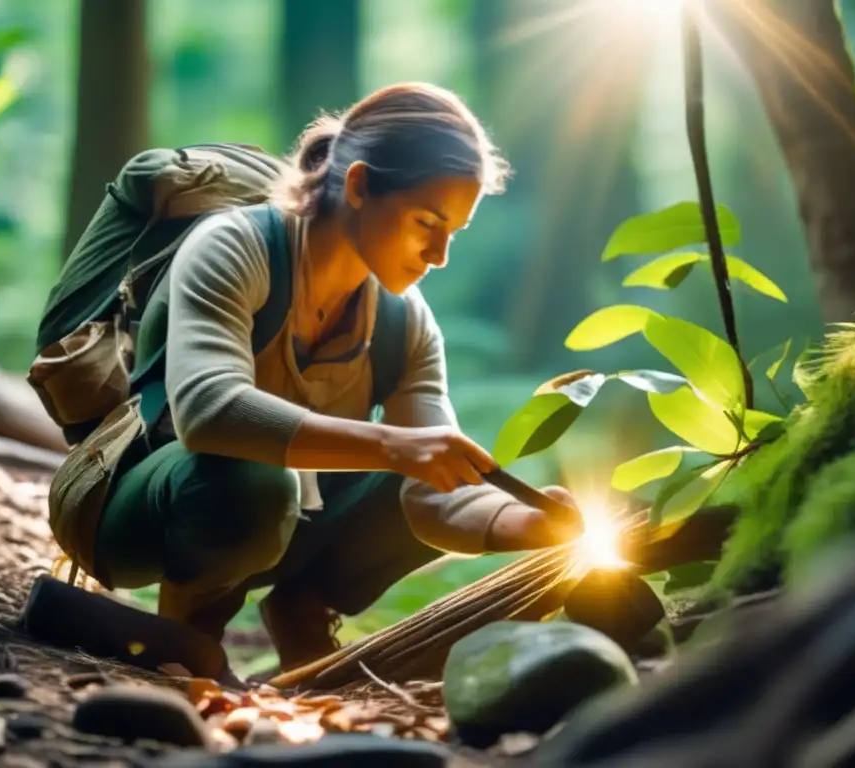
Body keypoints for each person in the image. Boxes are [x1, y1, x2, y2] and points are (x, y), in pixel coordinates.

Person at [92, 82, 584, 673]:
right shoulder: (235, 247)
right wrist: (395, 446)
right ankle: (188, 633)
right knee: (264, 480)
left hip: (283, 521)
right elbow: (208, 411)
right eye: (427, 221)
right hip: (142, 513)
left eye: (453, 232)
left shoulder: (406, 323)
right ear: (357, 185)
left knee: (416, 468)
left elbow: (433, 498)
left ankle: (304, 610)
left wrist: (524, 525)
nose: (439, 255)